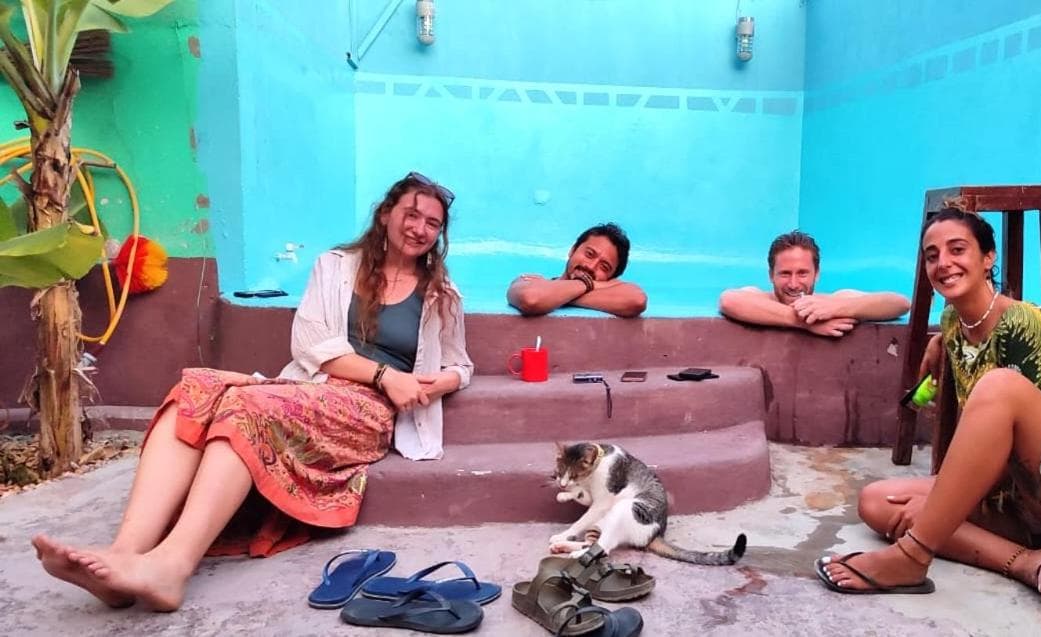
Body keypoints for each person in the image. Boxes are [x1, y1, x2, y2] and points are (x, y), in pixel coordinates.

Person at [31, 172, 474, 611]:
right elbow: (311, 344)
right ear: (385, 214)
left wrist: (440, 381)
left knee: (246, 406)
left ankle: (172, 565)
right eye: (411, 214)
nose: (419, 229)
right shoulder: (336, 266)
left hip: (367, 409)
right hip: (311, 385)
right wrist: (385, 374)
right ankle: (125, 553)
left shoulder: (441, 293)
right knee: (196, 388)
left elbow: (461, 364)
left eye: (432, 224)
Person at [815, 207, 1041, 612]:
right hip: (1025, 506)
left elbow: (1035, 451)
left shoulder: (1023, 324)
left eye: (957, 249)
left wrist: (935, 510)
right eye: (932, 255)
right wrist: (940, 343)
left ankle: (912, 557)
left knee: (999, 387)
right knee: (876, 501)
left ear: (988, 258)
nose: (943, 263)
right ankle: (1029, 564)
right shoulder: (953, 323)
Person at [718, 230, 910, 337]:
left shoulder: (833, 302)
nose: (793, 284)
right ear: (771, 275)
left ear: (817, 274)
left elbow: (901, 303)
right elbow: (728, 300)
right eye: (785, 273)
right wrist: (803, 322)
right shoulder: (759, 298)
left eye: (802, 273)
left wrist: (836, 309)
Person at [507, 222, 647, 318]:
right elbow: (531, 299)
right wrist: (586, 284)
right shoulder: (532, 281)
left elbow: (637, 300)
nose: (591, 266)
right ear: (572, 250)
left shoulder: (543, 287)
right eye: (589, 254)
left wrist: (554, 296)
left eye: (604, 267)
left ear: (610, 278)